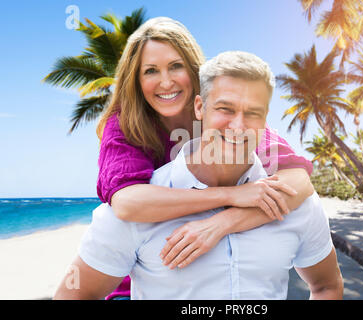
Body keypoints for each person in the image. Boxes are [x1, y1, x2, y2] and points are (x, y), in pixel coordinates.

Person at [54, 51, 343, 300]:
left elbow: (327, 285)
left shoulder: (297, 201)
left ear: (266, 119)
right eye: (225, 109)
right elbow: (76, 292)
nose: (239, 126)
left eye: (252, 113)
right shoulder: (137, 209)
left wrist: (221, 223)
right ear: (199, 108)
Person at [93, 17, 315, 299]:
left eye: (176, 66)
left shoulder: (227, 115)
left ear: (194, 70)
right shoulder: (126, 125)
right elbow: (127, 203)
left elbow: (298, 179)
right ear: (136, 81)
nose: (165, 82)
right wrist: (233, 195)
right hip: (141, 284)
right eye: (150, 71)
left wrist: (222, 223)